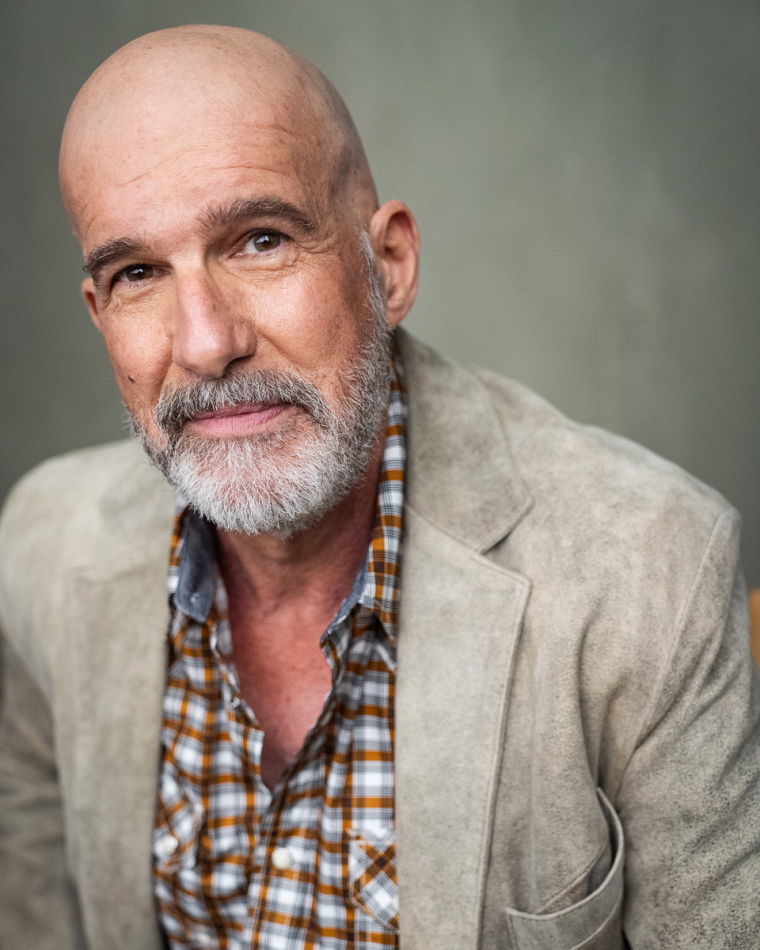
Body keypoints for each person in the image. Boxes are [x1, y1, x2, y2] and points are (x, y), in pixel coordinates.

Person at [0, 24, 758, 950]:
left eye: (261, 240)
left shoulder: (650, 570)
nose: (205, 343)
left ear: (388, 266)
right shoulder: (41, 550)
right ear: (100, 310)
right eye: (139, 273)